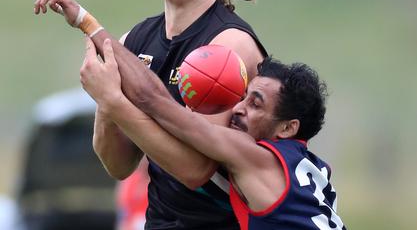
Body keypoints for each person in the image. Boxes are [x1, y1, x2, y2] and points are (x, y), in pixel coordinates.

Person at [34, 0, 266, 229]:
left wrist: (115, 100)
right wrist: (106, 101)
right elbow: (118, 165)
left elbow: (196, 171)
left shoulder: (229, 44)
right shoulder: (136, 40)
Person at [81, 38, 346, 230]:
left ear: (288, 127)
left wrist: (89, 26)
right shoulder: (313, 167)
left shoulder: (254, 155)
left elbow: (154, 100)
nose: (237, 109)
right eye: (242, 97)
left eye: (255, 103)